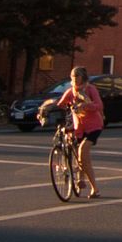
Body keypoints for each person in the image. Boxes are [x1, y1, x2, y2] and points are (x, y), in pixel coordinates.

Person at [39, 67, 105, 198]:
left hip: (94, 126)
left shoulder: (90, 89)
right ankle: (81, 178)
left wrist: (85, 105)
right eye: (72, 77)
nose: (74, 80)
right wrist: (45, 110)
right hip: (79, 128)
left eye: (77, 77)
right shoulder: (71, 92)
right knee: (82, 157)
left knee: (82, 151)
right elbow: (60, 104)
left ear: (83, 77)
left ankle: (94, 188)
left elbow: (99, 106)